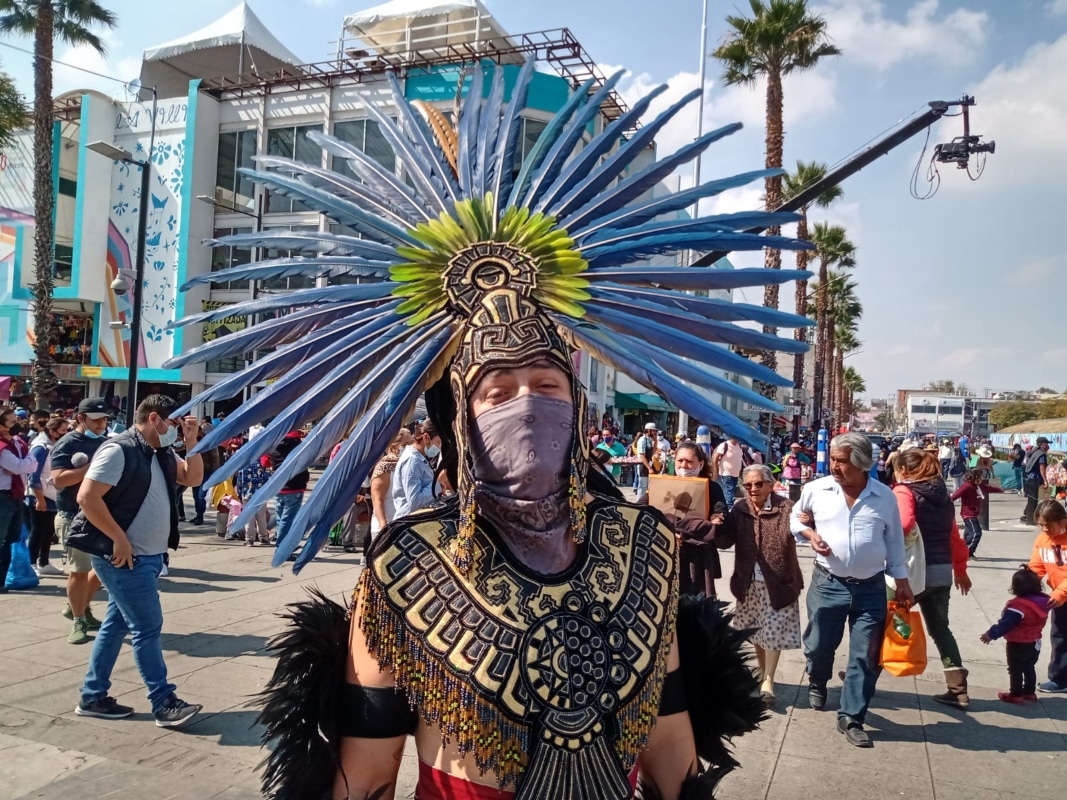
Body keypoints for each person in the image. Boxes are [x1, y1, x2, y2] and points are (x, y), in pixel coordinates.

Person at [176, 57, 809, 799]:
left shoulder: (641, 546)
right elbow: (367, 775)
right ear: (460, 421)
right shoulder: (406, 563)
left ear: (575, 408)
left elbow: (670, 743)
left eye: (545, 387)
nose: (525, 407)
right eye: (497, 392)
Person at [72, 394, 204, 727]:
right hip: (124, 558)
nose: (175, 429)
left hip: (146, 557)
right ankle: (163, 701)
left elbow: (192, 478)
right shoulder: (120, 450)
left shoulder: (160, 452)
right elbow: (86, 497)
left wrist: (193, 443)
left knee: (116, 626)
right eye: (172, 423)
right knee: (147, 627)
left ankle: (92, 695)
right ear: (155, 418)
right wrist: (119, 538)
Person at [791, 432, 913, 748]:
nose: (834, 466)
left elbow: (894, 543)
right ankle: (818, 680)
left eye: (842, 461)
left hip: (871, 588)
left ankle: (852, 716)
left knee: (866, 655)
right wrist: (808, 532)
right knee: (818, 644)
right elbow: (794, 517)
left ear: (861, 464)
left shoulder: (884, 497)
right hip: (828, 582)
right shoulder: (816, 490)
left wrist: (901, 581)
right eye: (833, 459)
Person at [891, 448, 973, 708]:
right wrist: (960, 570)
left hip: (912, 573)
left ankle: (863, 676)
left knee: (885, 623)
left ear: (904, 470)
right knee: (940, 628)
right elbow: (954, 537)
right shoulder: (944, 497)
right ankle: (958, 689)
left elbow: (903, 523)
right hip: (941, 572)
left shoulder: (904, 491)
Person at [716, 464, 803, 706]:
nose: (753, 489)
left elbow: (799, 531)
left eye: (758, 484)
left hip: (779, 581)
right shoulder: (740, 508)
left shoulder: (786, 508)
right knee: (756, 630)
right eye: (748, 485)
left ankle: (768, 680)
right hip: (748, 581)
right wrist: (717, 525)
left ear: (771, 484)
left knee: (773, 631)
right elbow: (725, 541)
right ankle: (763, 671)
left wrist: (810, 525)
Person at [51, 398, 111, 643]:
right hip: (73, 516)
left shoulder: (108, 443)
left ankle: (79, 607)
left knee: (102, 571)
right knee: (79, 571)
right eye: (96, 420)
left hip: (102, 515)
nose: (101, 425)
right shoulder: (68, 443)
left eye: (105, 419)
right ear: (81, 418)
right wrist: (91, 468)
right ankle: (78, 620)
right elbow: (59, 480)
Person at [650, 441, 727, 597]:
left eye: (689, 461)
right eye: (680, 460)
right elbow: (645, 511)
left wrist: (716, 519)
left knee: (695, 606)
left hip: (697, 557)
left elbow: (721, 516)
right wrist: (668, 532)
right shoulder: (662, 485)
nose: (684, 466)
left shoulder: (712, 488)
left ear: (701, 463)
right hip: (666, 552)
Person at [980, 564, 1050, 704]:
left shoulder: (1018, 606)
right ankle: (1030, 692)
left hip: (1017, 643)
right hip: (1035, 641)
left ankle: (1016, 694)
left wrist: (991, 634)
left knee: (1015, 669)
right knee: (1029, 667)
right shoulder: (1043, 602)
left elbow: (1006, 624)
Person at [1030, 500, 1067, 693]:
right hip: (1059, 599)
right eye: (1040, 525)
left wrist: (1061, 592)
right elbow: (1036, 567)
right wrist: (1026, 586)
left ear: (1063, 521)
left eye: (1048, 525)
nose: (1044, 529)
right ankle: (1059, 679)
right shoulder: (1042, 541)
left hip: (1063, 593)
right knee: (1059, 636)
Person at [0, 406, 37, 594]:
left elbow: (30, 464)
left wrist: (24, 464)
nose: (16, 425)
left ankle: (2, 581)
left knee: (10, 539)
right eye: (12, 422)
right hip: (3, 497)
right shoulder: (2, 446)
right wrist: (23, 465)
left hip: (15, 496)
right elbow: (17, 465)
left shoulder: (17, 442)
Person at [27, 416, 67, 577]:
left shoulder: (53, 446)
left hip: (51, 495)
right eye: (62, 430)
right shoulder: (40, 447)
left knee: (48, 531)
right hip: (39, 496)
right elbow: (33, 476)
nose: (65, 433)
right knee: (37, 531)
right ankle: (31, 563)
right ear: (52, 430)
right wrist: (39, 499)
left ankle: (43, 562)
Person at [267, 430, 311, 559]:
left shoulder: (273, 446)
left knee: (281, 519)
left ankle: (282, 546)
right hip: (294, 487)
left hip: (278, 487)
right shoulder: (300, 447)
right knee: (287, 520)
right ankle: (282, 549)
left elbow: (265, 462)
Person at [368, 427, 414, 543]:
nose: (409, 447)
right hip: (386, 525)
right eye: (405, 444)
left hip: (404, 524)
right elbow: (377, 499)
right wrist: (384, 525)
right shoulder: (385, 466)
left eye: (411, 443)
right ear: (394, 446)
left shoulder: (409, 465)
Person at [391, 419, 441, 520]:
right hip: (409, 523)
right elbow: (415, 501)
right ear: (426, 438)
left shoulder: (419, 457)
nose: (439, 447)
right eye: (438, 442)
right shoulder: (412, 460)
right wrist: (437, 485)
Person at [952, 468, 1004, 558]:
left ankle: (964, 551)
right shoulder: (967, 486)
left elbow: (988, 488)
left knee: (969, 534)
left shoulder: (979, 486)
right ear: (973, 477)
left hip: (974, 513)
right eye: (979, 476)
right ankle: (968, 551)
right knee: (977, 533)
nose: (981, 478)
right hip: (968, 513)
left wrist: (999, 490)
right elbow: (955, 496)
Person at [191, 418, 221, 525]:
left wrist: (215, 473)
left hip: (207, 471)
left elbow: (215, 457)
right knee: (195, 494)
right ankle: (198, 514)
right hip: (195, 471)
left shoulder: (208, 442)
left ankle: (200, 516)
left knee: (201, 494)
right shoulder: (193, 441)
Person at [1021, 437, 1050, 525]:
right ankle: (1030, 519)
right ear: (1043, 444)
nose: (1048, 446)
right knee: (1033, 500)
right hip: (1034, 478)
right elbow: (1042, 467)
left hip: (1029, 478)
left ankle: (1026, 515)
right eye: (1047, 444)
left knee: (1031, 499)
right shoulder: (1041, 454)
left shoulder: (1034, 452)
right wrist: (1045, 480)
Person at [713, 435, 744, 506]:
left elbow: (739, 460)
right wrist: (716, 469)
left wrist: (741, 471)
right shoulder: (724, 445)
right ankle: (729, 507)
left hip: (735, 474)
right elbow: (715, 458)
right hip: (726, 473)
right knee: (729, 490)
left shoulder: (739, 446)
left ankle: (728, 505)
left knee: (731, 490)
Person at [634, 421, 657, 494]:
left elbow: (653, 452)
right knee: (642, 486)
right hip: (643, 466)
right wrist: (649, 468)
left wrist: (655, 441)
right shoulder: (642, 440)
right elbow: (642, 455)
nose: (654, 432)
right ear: (649, 430)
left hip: (648, 464)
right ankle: (640, 503)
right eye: (653, 431)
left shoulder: (650, 440)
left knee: (648, 486)